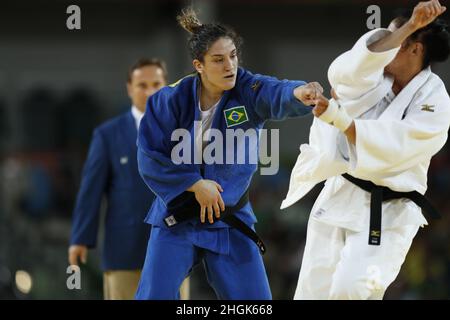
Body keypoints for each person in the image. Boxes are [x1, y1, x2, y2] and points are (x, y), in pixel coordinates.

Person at [135, 8, 323, 300]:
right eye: (219, 60)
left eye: (233, 56)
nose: (229, 66)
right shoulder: (169, 100)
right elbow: (149, 156)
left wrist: (299, 93)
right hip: (177, 221)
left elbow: (275, 92)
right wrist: (195, 184)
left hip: (229, 219)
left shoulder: (247, 89)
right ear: (199, 65)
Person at [281, 0, 450, 300]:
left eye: (398, 41)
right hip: (340, 194)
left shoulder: (435, 100)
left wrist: (340, 118)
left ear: (415, 50)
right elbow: (346, 71)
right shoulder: (372, 78)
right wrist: (409, 26)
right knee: (311, 292)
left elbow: (397, 145)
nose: (387, 46)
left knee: (353, 288)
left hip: (390, 211)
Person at [68, 58, 169, 299]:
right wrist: (80, 238)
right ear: (129, 88)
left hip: (172, 247)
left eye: (156, 84)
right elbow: (90, 191)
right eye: (142, 85)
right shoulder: (107, 135)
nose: (150, 91)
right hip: (124, 249)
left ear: (166, 87)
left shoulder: (183, 132)